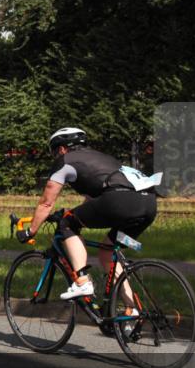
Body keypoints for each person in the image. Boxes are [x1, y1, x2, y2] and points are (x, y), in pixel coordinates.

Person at [17, 128, 159, 304]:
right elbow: (92, 202)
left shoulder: (65, 161)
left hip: (118, 201)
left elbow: (46, 203)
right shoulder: (104, 159)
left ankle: (83, 281)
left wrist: (30, 232)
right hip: (148, 205)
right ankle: (133, 310)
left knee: (67, 223)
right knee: (107, 252)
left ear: (61, 149)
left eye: (54, 152)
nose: (55, 156)